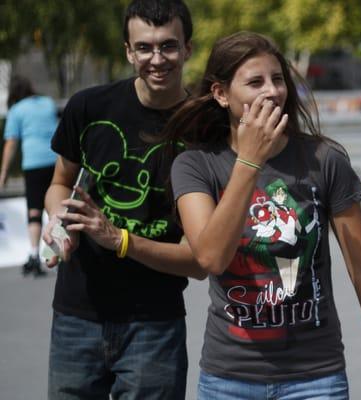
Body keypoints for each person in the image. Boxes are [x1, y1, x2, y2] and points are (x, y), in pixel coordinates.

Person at [165, 31, 361, 400]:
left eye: (277, 79)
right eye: (255, 82)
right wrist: (249, 161)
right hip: (228, 380)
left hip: (315, 378)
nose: (272, 91)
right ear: (221, 94)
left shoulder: (324, 160)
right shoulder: (195, 165)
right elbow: (211, 257)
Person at [42, 1, 204, 399]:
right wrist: (57, 221)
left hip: (156, 321)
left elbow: (202, 258)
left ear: (188, 49)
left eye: (168, 46)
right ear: (128, 52)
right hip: (76, 314)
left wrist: (117, 237)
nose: (156, 58)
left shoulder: (205, 126)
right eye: (144, 48)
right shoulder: (89, 107)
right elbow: (59, 183)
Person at [0, 75, 58, 276]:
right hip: (55, 160)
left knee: (34, 210)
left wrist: (4, 173)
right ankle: (54, 252)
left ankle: (34, 255)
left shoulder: (17, 110)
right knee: (56, 207)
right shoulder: (48, 103)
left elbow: (11, 143)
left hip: (33, 164)